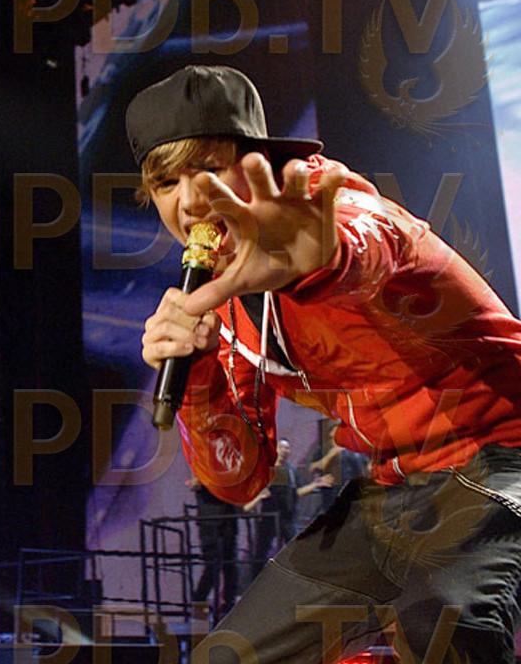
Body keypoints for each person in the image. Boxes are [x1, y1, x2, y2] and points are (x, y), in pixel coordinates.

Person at [133, 64, 521, 662]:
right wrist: (199, 373)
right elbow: (241, 481)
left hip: (500, 456)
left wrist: (319, 265)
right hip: (393, 490)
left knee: (442, 630)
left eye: (208, 170)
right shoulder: (224, 301)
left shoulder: (330, 210)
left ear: (258, 162)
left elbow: (369, 244)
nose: (189, 202)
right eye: (166, 183)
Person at [243, 438, 333, 578]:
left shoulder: (291, 471)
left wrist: (315, 485)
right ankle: (256, 580)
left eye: (287, 448)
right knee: (262, 550)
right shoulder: (266, 470)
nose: (285, 451)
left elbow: (296, 492)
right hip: (269, 517)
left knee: (294, 547)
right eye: (281, 448)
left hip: (287, 516)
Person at [185, 477, 239, 618]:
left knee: (230, 564)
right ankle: (199, 601)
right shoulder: (205, 470)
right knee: (212, 565)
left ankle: (229, 603)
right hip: (209, 521)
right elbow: (195, 484)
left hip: (228, 519)